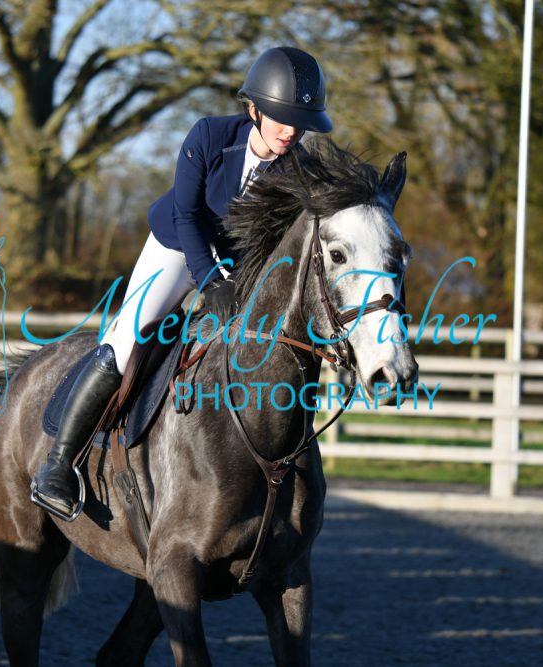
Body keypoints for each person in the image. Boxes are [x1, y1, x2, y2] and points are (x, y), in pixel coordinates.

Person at [30, 46, 334, 520]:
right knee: (127, 340)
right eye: (281, 118)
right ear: (254, 109)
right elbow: (187, 217)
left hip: (240, 263)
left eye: (300, 123)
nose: (291, 131)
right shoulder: (209, 136)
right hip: (176, 246)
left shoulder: (301, 169)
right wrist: (209, 279)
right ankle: (58, 464)